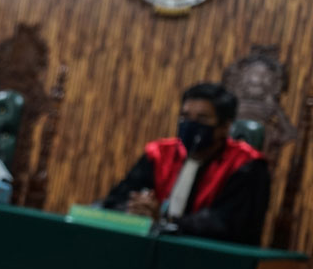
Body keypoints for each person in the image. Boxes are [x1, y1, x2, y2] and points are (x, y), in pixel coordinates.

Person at [101, 83, 270, 244]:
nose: (190, 124)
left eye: (202, 119)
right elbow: (117, 198)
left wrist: (165, 221)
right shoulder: (160, 154)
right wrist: (135, 208)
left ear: (225, 127)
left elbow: (229, 224)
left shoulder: (247, 164)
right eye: (185, 117)